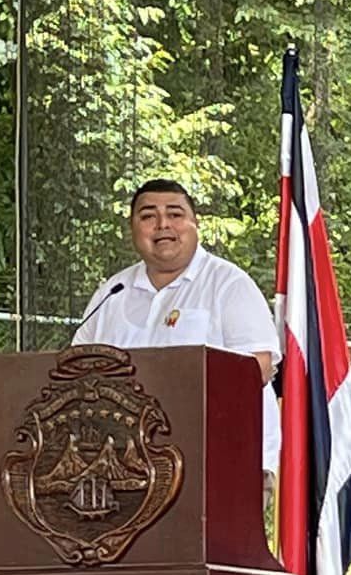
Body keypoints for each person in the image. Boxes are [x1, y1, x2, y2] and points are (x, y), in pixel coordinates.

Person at [74, 179, 280, 474]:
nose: (162, 225)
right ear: (132, 229)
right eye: (148, 216)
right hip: (125, 465)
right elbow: (74, 369)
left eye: (175, 214)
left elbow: (258, 367)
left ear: (195, 224)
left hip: (222, 461)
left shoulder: (228, 284)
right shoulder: (111, 292)